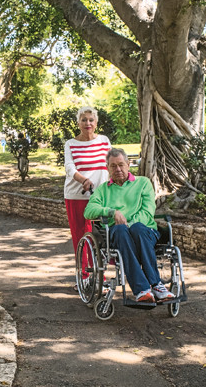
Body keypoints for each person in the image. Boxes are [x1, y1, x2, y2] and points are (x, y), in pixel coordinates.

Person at [83, 148, 175, 303]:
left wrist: (129, 224)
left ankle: (156, 285)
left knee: (137, 228)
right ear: (108, 168)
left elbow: (147, 212)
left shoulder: (143, 183)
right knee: (119, 230)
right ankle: (142, 290)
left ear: (128, 164)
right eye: (113, 166)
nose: (118, 169)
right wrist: (112, 212)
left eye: (121, 165)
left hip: (144, 231)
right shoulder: (103, 190)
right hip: (119, 234)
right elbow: (88, 211)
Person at [64, 106, 111, 281]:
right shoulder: (71, 144)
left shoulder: (104, 141)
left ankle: (99, 275)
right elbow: (69, 168)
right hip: (76, 195)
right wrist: (83, 180)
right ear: (78, 123)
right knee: (80, 236)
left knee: (98, 236)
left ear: (96, 123)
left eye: (91, 120)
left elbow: (111, 163)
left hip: (100, 197)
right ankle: (84, 276)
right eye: (84, 120)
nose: (88, 123)